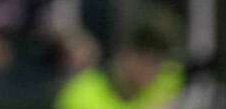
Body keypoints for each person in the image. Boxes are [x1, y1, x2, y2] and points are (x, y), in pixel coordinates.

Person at [54, 8, 184, 109]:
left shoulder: (167, 79)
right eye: (147, 62)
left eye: (159, 63)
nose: (153, 72)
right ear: (127, 55)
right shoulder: (80, 95)